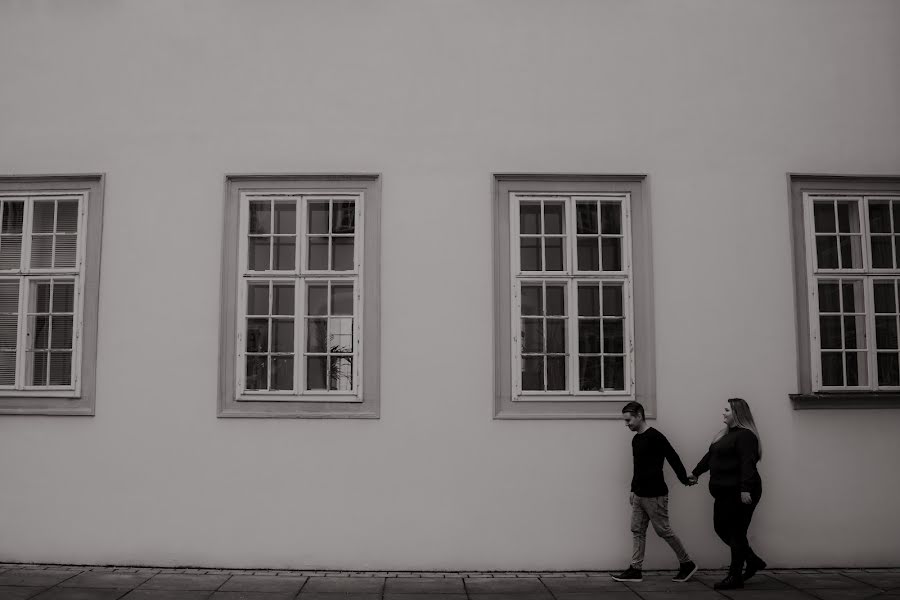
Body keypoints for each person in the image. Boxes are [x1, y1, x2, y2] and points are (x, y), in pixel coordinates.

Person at [612, 401, 697, 583]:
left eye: (628, 420)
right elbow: (638, 468)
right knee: (637, 530)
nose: (626, 424)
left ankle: (687, 563)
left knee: (664, 531)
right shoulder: (636, 439)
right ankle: (636, 569)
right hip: (640, 494)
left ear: (639, 416)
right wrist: (633, 490)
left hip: (656, 494)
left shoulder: (656, 437)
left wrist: (683, 479)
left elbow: (672, 456)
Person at [688, 397, 766, 590]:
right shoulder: (725, 434)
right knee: (721, 529)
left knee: (737, 533)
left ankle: (735, 576)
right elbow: (710, 456)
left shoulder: (746, 436)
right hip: (723, 492)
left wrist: (745, 489)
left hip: (740, 491)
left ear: (737, 414)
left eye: (727, 410)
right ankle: (753, 561)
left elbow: (748, 462)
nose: (723, 413)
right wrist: (696, 473)